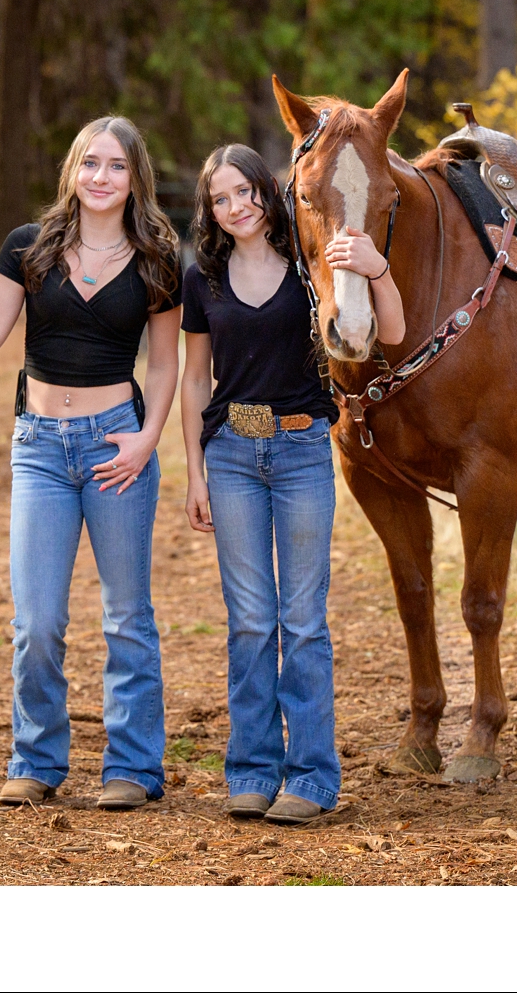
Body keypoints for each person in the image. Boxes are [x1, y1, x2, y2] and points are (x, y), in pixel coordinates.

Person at [0, 116, 181, 811]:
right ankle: (36, 760)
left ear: (134, 176)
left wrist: (147, 439)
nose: (100, 178)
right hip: (41, 448)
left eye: (114, 166)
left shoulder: (158, 257)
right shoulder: (30, 247)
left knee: (126, 615)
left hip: (118, 446)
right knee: (37, 620)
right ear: (72, 172)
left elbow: (166, 366)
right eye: (89, 164)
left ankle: (134, 768)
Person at [179, 144, 404, 825]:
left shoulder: (311, 268)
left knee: (302, 623)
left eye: (245, 191)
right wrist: (193, 469)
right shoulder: (203, 280)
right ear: (210, 212)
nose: (236, 206)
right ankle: (250, 772)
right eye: (221, 199)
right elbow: (195, 380)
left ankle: (311, 778)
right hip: (232, 460)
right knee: (250, 622)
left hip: (304, 449)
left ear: (268, 194)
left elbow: (389, 330)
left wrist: (378, 268)